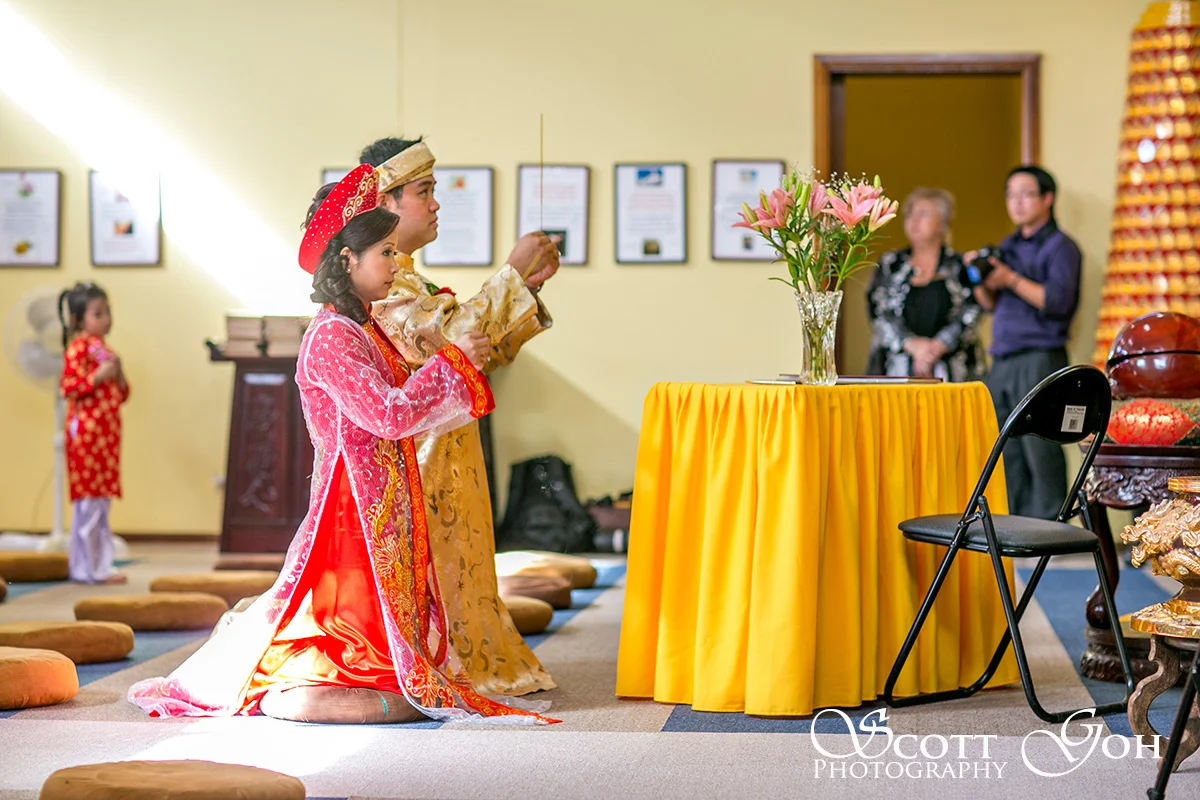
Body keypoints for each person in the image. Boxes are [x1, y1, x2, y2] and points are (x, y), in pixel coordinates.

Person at [128, 166, 554, 725]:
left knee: (381, 626)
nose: (396, 263)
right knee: (340, 624)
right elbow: (387, 412)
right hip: (348, 503)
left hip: (375, 495)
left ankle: (364, 680)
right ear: (347, 261)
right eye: (384, 252)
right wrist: (454, 364)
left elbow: (399, 398)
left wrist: (453, 362)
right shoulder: (331, 335)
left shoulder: (362, 329)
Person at [361, 136, 560, 696]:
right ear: (385, 204)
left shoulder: (410, 280)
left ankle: (469, 652)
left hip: (447, 449)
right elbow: (453, 341)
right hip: (416, 454)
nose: (436, 204)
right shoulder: (384, 287)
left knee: (463, 560)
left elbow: (478, 353)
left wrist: (521, 286)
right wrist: (511, 276)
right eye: (424, 192)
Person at [968, 165, 1083, 519]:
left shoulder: (1061, 247)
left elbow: (1058, 302)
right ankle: (1010, 524)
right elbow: (990, 304)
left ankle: (1050, 528)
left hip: (1040, 357)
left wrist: (1012, 279)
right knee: (1004, 446)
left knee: (1041, 445)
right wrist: (977, 276)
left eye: (1025, 194)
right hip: (1002, 358)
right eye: (1010, 195)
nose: (1016, 203)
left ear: (1047, 199)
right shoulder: (1007, 246)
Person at [866, 187, 984, 381]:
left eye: (923, 214)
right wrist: (913, 345)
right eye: (909, 214)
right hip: (895, 369)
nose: (913, 220)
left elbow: (972, 310)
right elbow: (878, 311)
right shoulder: (890, 264)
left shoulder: (959, 264)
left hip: (955, 371)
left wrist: (936, 347)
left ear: (942, 224)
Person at [58, 281, 130, 585]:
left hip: (106, 439)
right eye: (97, 313)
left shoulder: (106, 351)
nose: (106, 318)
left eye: (107, 311)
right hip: (86, 437)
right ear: (78, 320)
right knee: (88, 504)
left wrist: (119, 370)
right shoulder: (78, 348)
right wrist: (96, 377)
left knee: (100, 503)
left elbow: (122, 394)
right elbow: (68, 387)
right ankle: (91, 569)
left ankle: (94, 566)